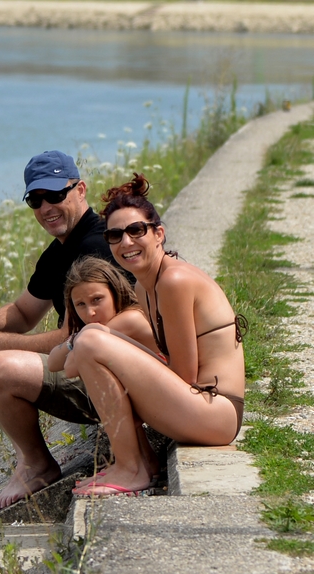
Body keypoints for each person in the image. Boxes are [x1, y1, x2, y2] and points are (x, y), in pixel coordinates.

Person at [0, 150, 119, 510]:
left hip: (110, 379)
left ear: (80, 190)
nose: (46, 207)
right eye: (35, 200)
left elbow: (79, 337)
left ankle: (39, 465)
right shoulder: (59, 252)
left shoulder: (95, 247)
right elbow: (24, 310)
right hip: (80, 365)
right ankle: (31, 457)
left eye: (56, 195)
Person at [65, 174, 245, 497]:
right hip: (202, 407)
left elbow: (184, 375)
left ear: (158, 234)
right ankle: (141, 462)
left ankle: (131, 469)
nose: (126, 242)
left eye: (136, 231)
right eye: (115, 235)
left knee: (93, 340)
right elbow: (69, 365)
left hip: (216, 411)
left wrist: (113, 355)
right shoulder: (142, 286)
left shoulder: (173, 281)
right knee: (95, 343)